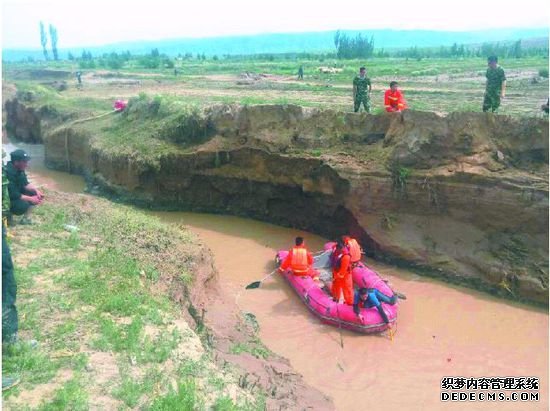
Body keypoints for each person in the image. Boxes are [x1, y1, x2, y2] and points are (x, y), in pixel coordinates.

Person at [5, 149, 43, 224]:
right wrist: (31, 199)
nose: (26, 164)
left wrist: (36, 191)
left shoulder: (20, 169)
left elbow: (25, 183)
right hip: (7, 199)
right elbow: (13, 194)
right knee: (23, 204)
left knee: (35, 195)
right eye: (24, 162)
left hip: (14, 196)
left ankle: (26, 219)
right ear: (16, 162)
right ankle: (7, 216)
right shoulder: (7, 173)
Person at [330, 239, 353, 305]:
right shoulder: (336, 251)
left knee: (347, 289)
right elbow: (333, 248)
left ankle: (349, 303)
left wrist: (336, 277)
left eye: (338, 250)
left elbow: (343, 271)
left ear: (341, 248)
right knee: (335, 286)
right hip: (336, 271)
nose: (336, 251)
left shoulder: (346, 257)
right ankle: (335, 299)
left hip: (345, 275)